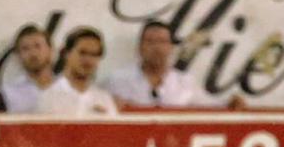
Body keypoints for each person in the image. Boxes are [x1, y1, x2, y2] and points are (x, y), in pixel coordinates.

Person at [106, 20, 241, 109]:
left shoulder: (185, 81)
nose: (156, 47)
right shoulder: (118, 80)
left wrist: (230, 104)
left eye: (162, 42)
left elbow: (210, 106)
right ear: (140, 47)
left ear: (171, 47)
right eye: (150, 41)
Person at [37, 26, 118, 117]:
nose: (88, 60)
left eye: (94, 55)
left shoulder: (103, 99)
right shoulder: (49, 97)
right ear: (66, 54)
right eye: (82, 53)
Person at [1, 24, 56, 114]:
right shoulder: (7, 94)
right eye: (25, 48)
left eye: (38, 46)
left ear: (50, 50)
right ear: (18, 55)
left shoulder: (67, 89)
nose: (33, 53)